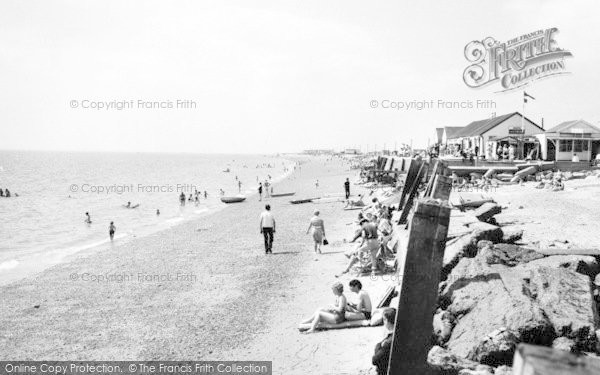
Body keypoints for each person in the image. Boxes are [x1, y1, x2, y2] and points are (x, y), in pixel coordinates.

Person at [372, 308, 396, 375]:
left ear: (386, 320)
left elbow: (374, 360)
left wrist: (378, 345)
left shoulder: (388, 342)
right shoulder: (400, 335)